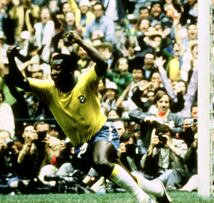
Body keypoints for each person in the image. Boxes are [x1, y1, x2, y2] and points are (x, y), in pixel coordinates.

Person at [5, 31, 171, 203]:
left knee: (102, 162)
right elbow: (20, 82)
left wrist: (79, 40)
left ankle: (143, 199)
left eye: (58, 68)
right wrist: (11, 59)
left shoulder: (85, 82)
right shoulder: (48, 89)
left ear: (70, 71)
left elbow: (102, 63)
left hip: (103, 132)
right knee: (122, 175)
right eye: (52, 67)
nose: (53, 72)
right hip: (82, 145)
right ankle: (157, 189)